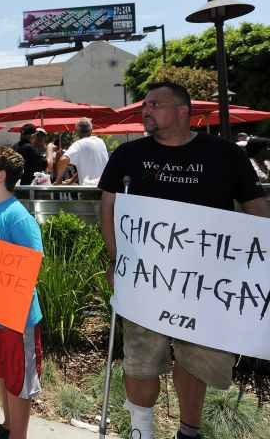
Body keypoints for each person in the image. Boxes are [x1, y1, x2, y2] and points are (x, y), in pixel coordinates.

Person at [98, 81, 269, 439]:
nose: (146, 111)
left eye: (155, 105)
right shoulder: (127, 156)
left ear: (182, 112)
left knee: (196, 361)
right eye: (144, 105)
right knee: (141, 360)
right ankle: (140, 430)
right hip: (146, 282)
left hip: (207, 287)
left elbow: (254, 207)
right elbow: (109, 206)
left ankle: (188, 431)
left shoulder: (224, 155)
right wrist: (116, 260)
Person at [0, 145, 44, 439]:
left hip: (16, 319)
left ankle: (19, 435)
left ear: (0, 176)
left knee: (19, 381)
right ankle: (8, 426)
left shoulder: (17, 217)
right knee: (2, 373)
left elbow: (32, 265)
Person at [54, 118, 108, 186]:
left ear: (77, 131)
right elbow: (88, 167)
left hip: (90, 189)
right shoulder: (101, 142)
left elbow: (63, 160)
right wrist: (71, 180)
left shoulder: (79, 144)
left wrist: (58, 181)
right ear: (91, 130)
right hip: (105, 187)